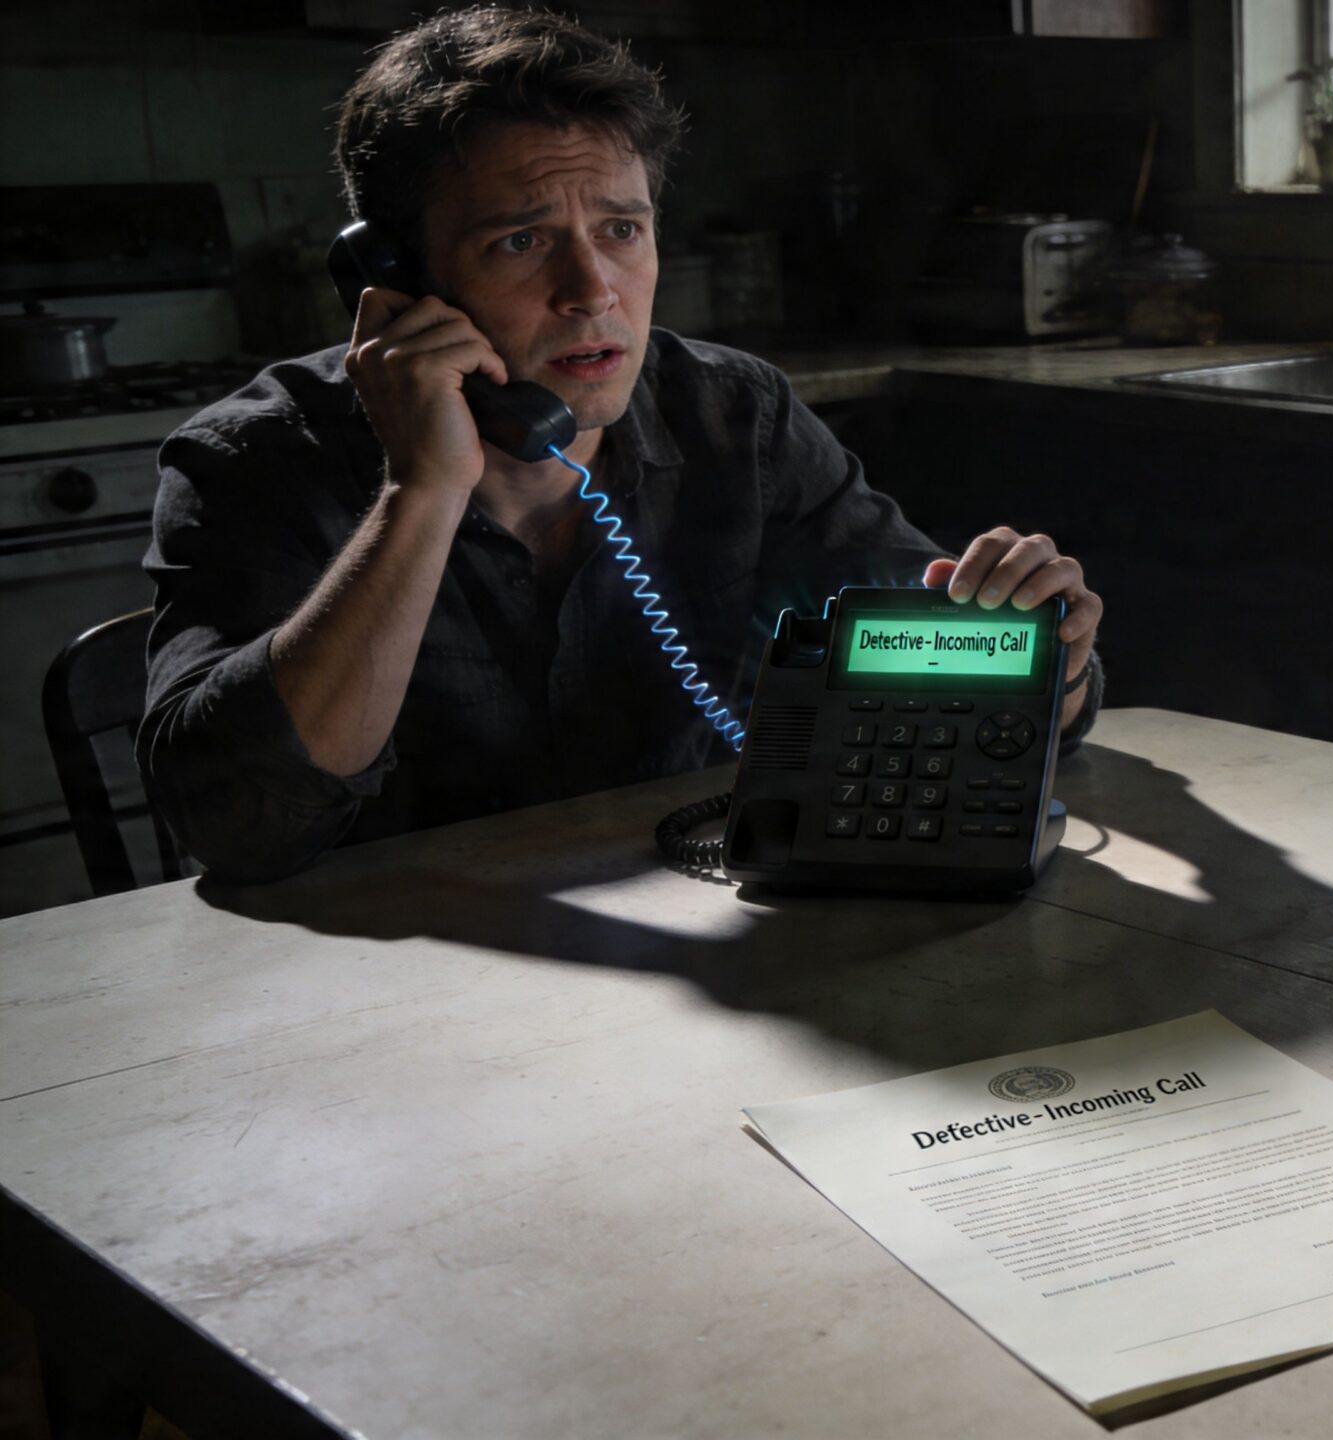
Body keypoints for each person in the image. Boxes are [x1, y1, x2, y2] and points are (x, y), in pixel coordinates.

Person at [139, 5, 1103, 883]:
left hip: (709, 941)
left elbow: (970, 683)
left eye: (622, 229)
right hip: (379, 994)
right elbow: (236, 827)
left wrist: (1040, 658)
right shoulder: (252, 457)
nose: (592, 289)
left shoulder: (735, 415)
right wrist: (420, 494)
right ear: (393, 280)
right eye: (521, 241)